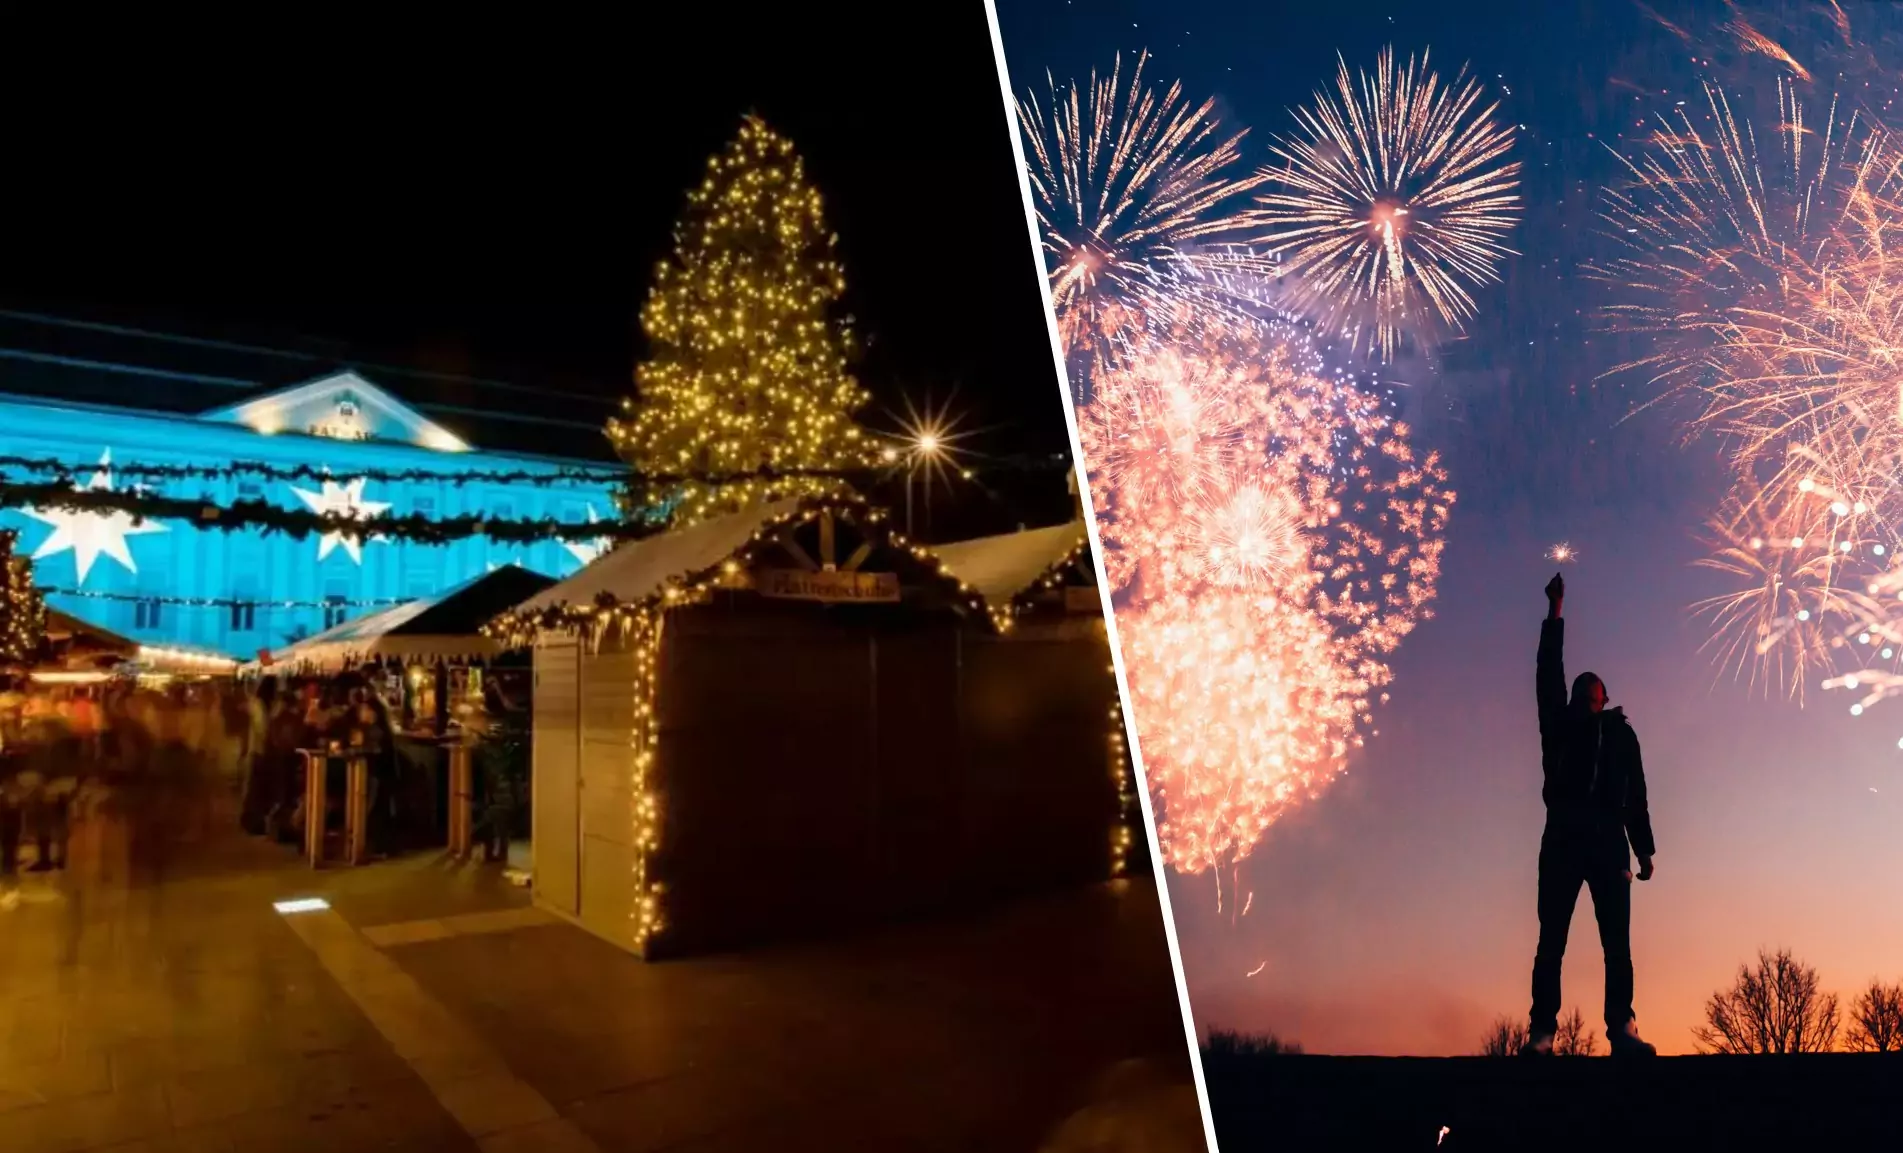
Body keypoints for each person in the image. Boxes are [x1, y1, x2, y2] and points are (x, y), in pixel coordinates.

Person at [1523, 573, 1657, 1057]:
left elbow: (1635, 793)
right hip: (1562, 837)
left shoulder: (1621, 736)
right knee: (1551, 941)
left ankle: (1622, 1027)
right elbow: (1547, 671)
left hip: (1608, 842)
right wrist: (1555, 611)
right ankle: (1542, 1032)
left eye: (1590, 691)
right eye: (1578, 691)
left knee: (1616, 944)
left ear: (1603, 699)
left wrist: (1643, 848)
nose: (1583, 695)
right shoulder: (1558, 726)